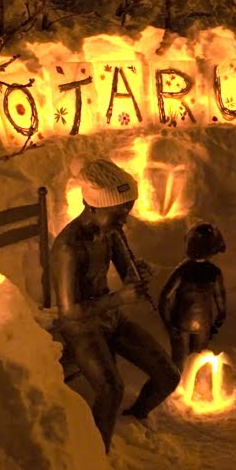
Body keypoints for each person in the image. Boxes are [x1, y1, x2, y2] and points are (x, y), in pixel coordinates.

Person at [51, 159, 181, 452]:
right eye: (118, 212)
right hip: (80, 326)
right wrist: (120, 298)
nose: (124, 220)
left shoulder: (110, 232)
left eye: (127, 210)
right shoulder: (69, 247)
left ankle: (135, 418)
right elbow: (69, 312)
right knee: (111, 389)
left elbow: (127, 271)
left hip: (109, 317)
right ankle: (98, 453)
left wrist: (139, 273)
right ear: (94, 207)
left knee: (168, 375)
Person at [157, 222, 228, 369]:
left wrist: (168, 323)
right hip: (203, 324)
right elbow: (220, 298)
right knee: (197, 361)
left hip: (181, 322)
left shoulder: (183, 271)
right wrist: (219, 318)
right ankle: (192, 387)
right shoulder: (214, 272)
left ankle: (179, 386)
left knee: (180, 361)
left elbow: (164, 297)